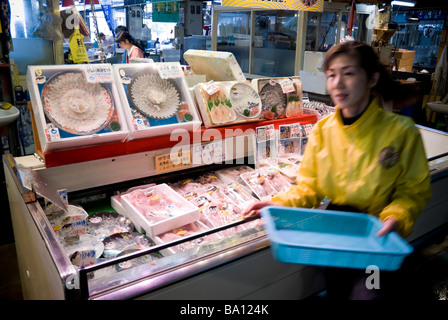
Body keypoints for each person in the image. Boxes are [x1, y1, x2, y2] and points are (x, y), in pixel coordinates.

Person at [243, 41, 432, 300]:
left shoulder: (401, 131)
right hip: (335, 236)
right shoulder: (323, 131)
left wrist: (396, 216)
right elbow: (309, 188)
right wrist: (274, 203)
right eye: (331, 75)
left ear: (372, 78)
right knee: (338, 293)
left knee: (368, 295)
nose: (337, 83)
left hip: (375, 240)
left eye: (349, 73)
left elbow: (413, 190)